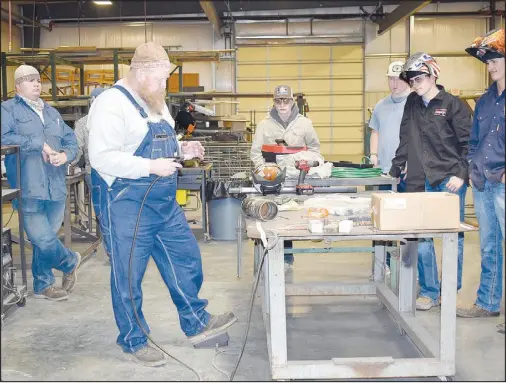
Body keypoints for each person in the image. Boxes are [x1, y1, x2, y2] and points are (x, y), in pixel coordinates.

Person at [88, 42, 237, 367]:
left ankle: (196, 322)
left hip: (162, 202)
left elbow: (160, 146)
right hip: (125, 203)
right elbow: (101, 157)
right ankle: (134, 339)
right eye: (159, 79)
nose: (163, 86)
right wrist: (150, 167)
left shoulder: (156, 103)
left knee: (185, 258)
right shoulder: (110, 104)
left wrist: (183, 151)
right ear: (140, 72)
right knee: (128, 276)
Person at [389, 53, 472, 311]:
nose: (416, 82)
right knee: (423, 237)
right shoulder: (412, 104)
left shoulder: (453, 105)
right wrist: (396, 166)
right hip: (417, 179)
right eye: (412, 79)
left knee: (451, 238)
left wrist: (461, 174)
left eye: (420, 77)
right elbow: (405, 137)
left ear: (433, 74)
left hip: (448, 179)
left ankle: (448, 290)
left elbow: (468, 143)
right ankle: (428, 291)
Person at [1, 65, 80, 301]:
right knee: (42, 238)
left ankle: (43, 284)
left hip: (55, 186)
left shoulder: (52, 113)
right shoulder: (8, 110)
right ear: (17, 86)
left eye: (38, 79)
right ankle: (69, 262)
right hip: (28, 187)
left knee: (45, 241)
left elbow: (71, 140)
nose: (36, 83)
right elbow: (3, 137)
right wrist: (39, 144)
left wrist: (65, 155)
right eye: (29, 80)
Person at [456, 29, 505, 334]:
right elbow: (475, 140)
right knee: (489, 246)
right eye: (488, 62)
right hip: (484, 182)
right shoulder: (486, 100)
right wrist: (473, 168)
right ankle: (487, 303)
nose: (491, 65)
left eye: (496, 58)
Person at [250, 85, 321, 269]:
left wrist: (304, 162)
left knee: (290, 217)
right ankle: (266, 256)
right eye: (278, 101)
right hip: (271, 180)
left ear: (292, 101)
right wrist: (263, 172)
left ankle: (287, 258)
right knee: (269, 216)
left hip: (296, 179)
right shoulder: (264, 125)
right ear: (274, 102)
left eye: (286, 100)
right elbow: (255, 152)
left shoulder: (305, 124)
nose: (282, 104)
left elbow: (315, 149)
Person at [369, 61, 411, 192]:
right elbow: (375, 131)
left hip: (407, 170)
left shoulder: (415, 103)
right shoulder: (380, 105)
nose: (395, 83)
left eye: (399, 79)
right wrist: (373, 154)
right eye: (391, 79)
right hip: (385, 169)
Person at [71, 87, 106, 190]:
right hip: (106, 171)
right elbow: (76, 148)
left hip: (95, 171)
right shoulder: (82, 124)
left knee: (100, 203)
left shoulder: (82, 123)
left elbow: (76, 148)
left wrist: (68, 163)